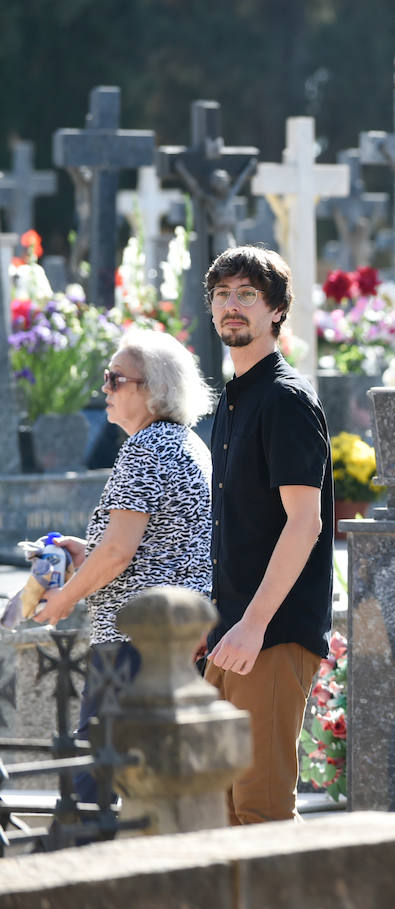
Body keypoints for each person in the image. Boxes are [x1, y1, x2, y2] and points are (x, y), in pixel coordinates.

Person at [34, 329, 215, 804]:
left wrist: (63, 599)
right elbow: (146, 544)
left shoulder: (145, 449)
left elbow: (118, 553)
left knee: (92, 784)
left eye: (116, 379)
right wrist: (85, 551)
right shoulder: (188, 443)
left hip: (132, 639)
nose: (105, 390)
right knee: (160, 788)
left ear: (152, 388)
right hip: (173, 637)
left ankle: (83, 874)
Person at [200, 245, 334, 825]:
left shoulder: (284, 398)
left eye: (248, 295)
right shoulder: (233, 398)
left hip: (271, 635)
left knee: (263, 814)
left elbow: (305, 523)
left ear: (277, 310)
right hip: (232, 632)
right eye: (223, 294)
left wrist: (252, 627)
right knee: (225, 812)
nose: (233, 306)